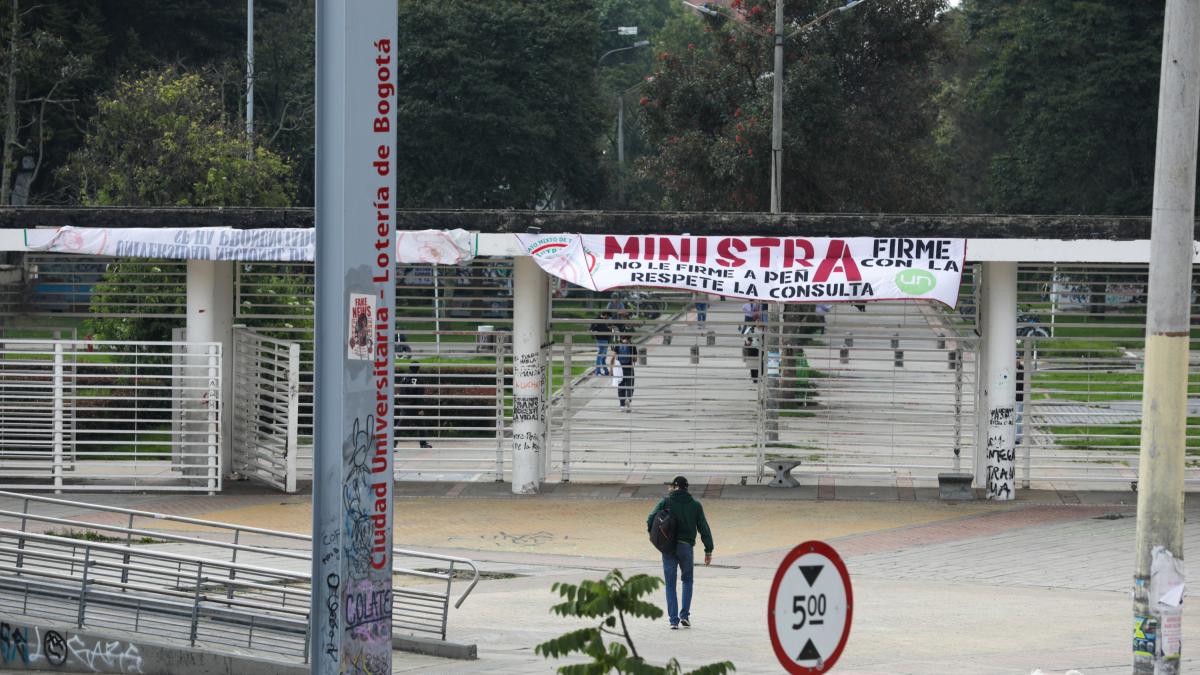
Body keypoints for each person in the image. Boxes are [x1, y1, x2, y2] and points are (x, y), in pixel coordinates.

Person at [646, 476, 714, 629]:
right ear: (686, 488)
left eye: (671, 486)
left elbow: (650, 519)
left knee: (670, 584)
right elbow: (704, 528)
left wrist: (654, 535)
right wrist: (708, 550)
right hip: (686, 547)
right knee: (687, 581)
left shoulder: (666, 502)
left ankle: (673, 621)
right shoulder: (695, 505)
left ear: (676, 487)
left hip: (668, 547)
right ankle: (685, 616)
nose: (669, 488)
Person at [399, 364, 432, 449]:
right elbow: (419, 395)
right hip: (413, 405)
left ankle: (392, 443)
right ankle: (423, 444)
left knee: (401, 424)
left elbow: (400, 391)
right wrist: (420, 408)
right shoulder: (419, 379)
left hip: (403, 404)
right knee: (420, 424)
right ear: (418, 369)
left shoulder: (404, 378)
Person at [609, 332, 637, 411]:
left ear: (621, 338)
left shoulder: (617, 346)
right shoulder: (632, 346)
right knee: (630, 386)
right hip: (629, 368)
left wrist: (611, 370)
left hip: (619, 369)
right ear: (629, 338)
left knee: (621, 387)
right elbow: (635, 359)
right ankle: (628, 399)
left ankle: (622, 405)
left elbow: (612, 358)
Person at [590, 311, 612, 376]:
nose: (608, 318)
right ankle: (598, 371)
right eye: (607, 317)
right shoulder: (597, 320)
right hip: (601, 339)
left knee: (603, 357)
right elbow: (592, 329)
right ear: (605, 315)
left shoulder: (604, 321)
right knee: (600, 356)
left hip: (606, 340)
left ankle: (606, 371)